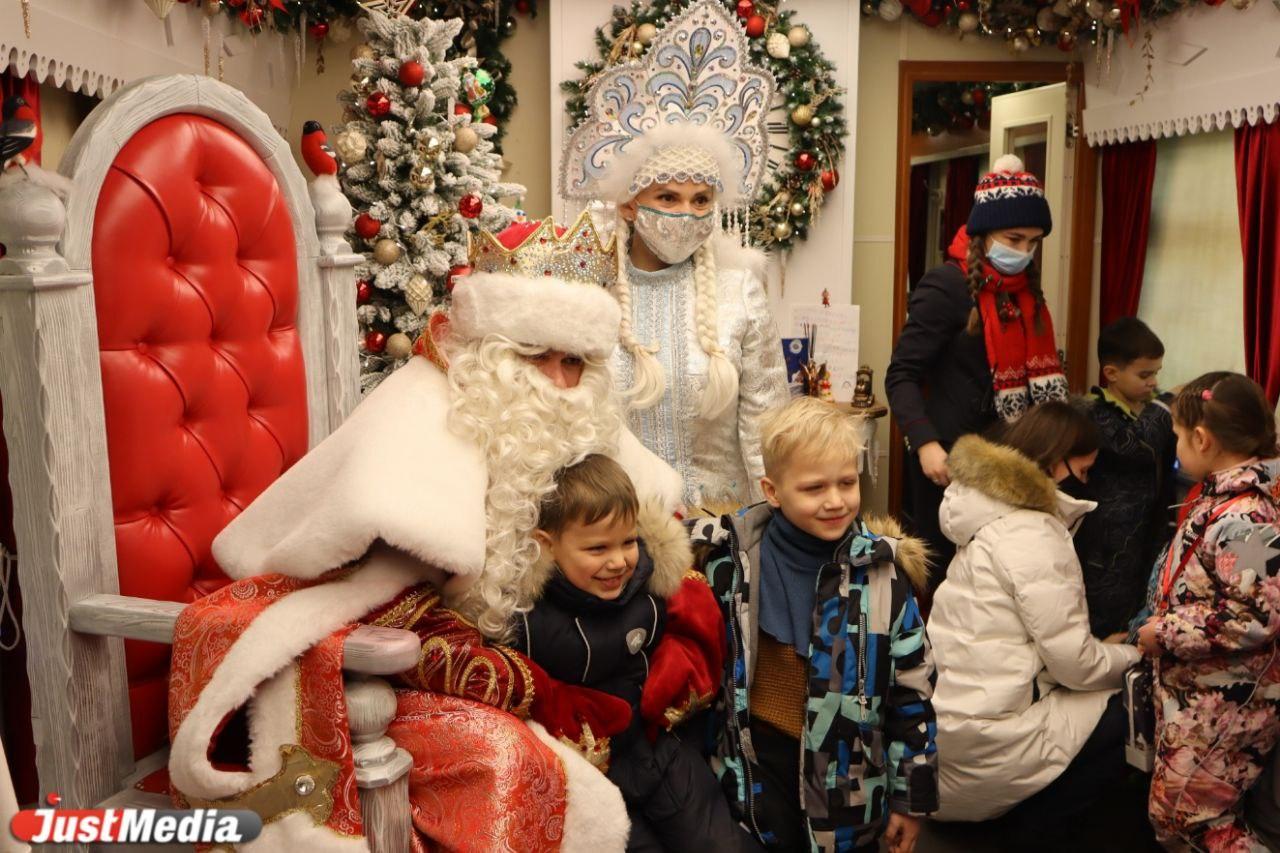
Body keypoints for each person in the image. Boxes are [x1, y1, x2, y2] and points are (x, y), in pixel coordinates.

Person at [165, 213, 684, 851]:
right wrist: (520, 683)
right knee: (506, 760)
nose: (556, 382)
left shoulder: (585, 422)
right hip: (405, 676)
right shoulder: (428, 413)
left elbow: (654, 531)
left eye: (573, 360)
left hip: (565, 658)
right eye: (533, 355)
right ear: (492, 353)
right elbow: (380, 595)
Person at [560, 0, 788, 510]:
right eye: (667, 197)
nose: (687, 213)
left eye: (701, 200)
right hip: (613, 529)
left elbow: (766, 426)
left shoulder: (739, 291)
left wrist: (770, 523)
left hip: (719, 531)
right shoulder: (586, 295)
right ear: (628, 205)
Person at [692, 397, 937, 853]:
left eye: (847, 482)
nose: (835, 501)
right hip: (755, 780)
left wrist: (910, 798)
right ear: (772, 490)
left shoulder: (883, 574)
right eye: (813, 488)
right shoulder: (731, 564)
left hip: (850, 790)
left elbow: (912, 695)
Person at [928, 401, 1141, 848]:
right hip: (994, 739)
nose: (1087, 481)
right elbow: (1073, 665)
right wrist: (1133, 655)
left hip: (948, 730)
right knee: (1136, 707)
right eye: (1082, 472)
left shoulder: (986, 515)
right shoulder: (1033, 533)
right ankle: (1035, 826)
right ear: (1053, 460)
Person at [520, 454, 757, 852]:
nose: (617, 562)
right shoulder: (532, 622)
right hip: (597, 777)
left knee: (718, 841)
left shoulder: (650, 586)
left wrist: (676, 676)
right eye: (596, 548)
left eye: (628, 541)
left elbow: (689, 634)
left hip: (660, 751)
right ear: (548, 546)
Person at [886, 154, 1068, 586]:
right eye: (1014, 238)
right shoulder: (945, 287)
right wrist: (925, 444)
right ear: (983, 233)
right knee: (949, 581)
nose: (1023, 251)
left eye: (1033, 241)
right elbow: (902, 375)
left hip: (1010, 462)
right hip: (948, 465)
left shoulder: (1028, 294)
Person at [1134, 372, 1280, 851]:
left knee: (1187, 818)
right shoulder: (1224, 501)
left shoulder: (1245, 519)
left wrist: (1167, 631)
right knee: (1181, 813)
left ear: (1202, 438)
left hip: (1226, 702)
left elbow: (1258, 614)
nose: (1176, 447)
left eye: (1178, 436)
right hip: (1199, 693)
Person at [1073, 317, 1177, 637]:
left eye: (1157, 374)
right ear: (1112, 374)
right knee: (1106, 608)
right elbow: (1136, 446)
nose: (1152, 382)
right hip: (1106, 539)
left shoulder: (1146, 410)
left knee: (1140, 600)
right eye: (1145, 374)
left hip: (1147, 528)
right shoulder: (1096, 412)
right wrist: (1163, 404)